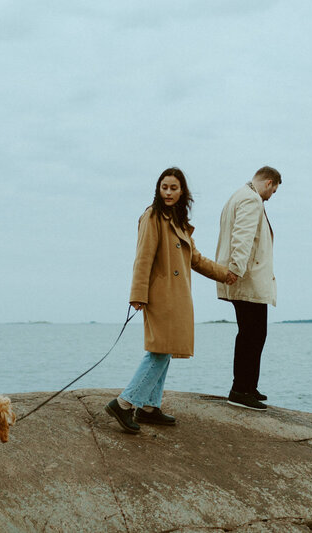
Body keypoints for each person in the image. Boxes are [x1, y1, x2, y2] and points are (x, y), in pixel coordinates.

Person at [105, 167, 235, 433]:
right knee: (160, 350)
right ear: (158, 188)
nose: (168, 192)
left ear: (182, 191)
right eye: (164, 187)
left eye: (173, 188)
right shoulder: (152, 216)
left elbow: (195, 260)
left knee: (166, 349)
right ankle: (125, 403)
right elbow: (143, 257)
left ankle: (150, 406)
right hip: (159, 295)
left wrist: (226, 275)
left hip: (177, 296)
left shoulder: (178, 221)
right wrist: (138, 294)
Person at [215, 166, 281, 410]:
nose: (271, 195)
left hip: (244, 277)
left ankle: (248, 386)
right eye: (273, 191)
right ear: (268, 182)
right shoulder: (251, 199)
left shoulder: (237, 195)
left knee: (252, 334)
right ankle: (240, 390)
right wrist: (236, 269)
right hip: (247, 279)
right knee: (251, 335)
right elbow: (242, 237)